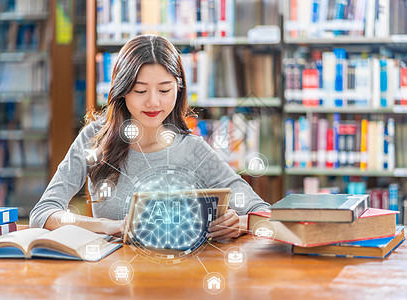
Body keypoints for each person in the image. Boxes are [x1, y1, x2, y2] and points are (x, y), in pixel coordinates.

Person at [29, 34, 270, 242]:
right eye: (140, 90)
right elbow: (43, 212)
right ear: (122, 91)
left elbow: (262, 212)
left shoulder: (193, 149)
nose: (153, 102)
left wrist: (239, 224)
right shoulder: (95, 138)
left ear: (180, 88)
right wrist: (107, 226)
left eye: (165, 90)